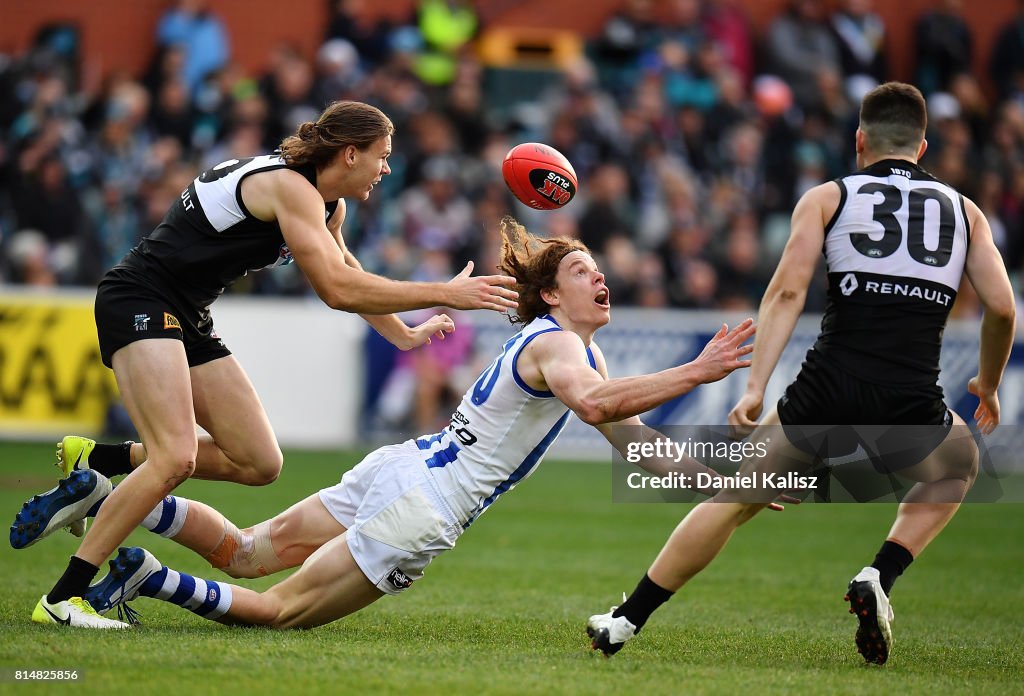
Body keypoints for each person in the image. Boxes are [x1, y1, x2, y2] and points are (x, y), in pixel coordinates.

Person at [13, 216, 757, 630]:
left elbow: (636, 441)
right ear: (553, 298)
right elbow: (600, 407)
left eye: (599, 268)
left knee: (243, 554)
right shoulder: (563, 347)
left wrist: (725, 485)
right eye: (581, 271)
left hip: (401, 469)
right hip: (422, 506)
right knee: (276, 613)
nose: (600, 277)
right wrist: (697, 370)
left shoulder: (566, 351)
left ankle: (111, 498)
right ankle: (145, 574)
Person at [29, 100, 521, 628]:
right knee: (173, 459)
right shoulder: (290, 187)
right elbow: (334, 290)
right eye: (382, 156)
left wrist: (404, 333)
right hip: (140, 299)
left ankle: (100, 463)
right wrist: (445, 292)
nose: (387, 169)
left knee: (260, 461)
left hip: (186, 313)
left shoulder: (328, 204)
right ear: (350, 154)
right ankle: (63, 599)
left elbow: (348, 273)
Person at [586, 81, 1016, 664]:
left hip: (826, 387)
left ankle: (625, 621)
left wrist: (757, 385)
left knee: (732, 500)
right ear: (922, 146)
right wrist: (987, 382)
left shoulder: (828, 198)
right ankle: (879, 575)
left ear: (859, 140)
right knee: (960, 464)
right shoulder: (965, 212)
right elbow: (1003, 307)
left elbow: (787, 290)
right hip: (909, 394)